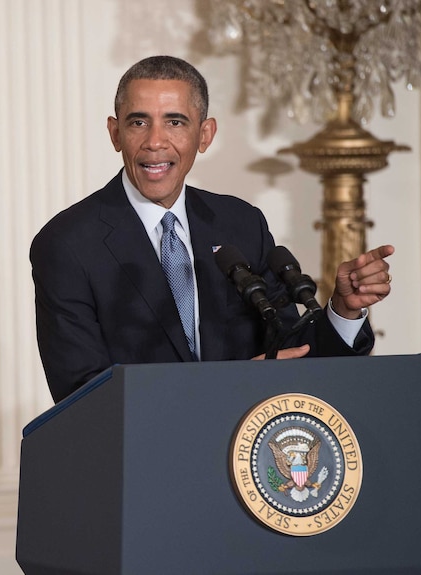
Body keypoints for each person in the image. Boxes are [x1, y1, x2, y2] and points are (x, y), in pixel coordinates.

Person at [30, 55, 394, 404]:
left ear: (205, 134)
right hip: (139, 461)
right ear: (115, 133)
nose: (155, 141)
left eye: (175, 122)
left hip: (246, 458)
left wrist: (344, 310)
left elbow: (291, 352)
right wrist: (225, 390)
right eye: (138, 122)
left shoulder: (241, 223)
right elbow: (82, 393)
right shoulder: (67, 244)